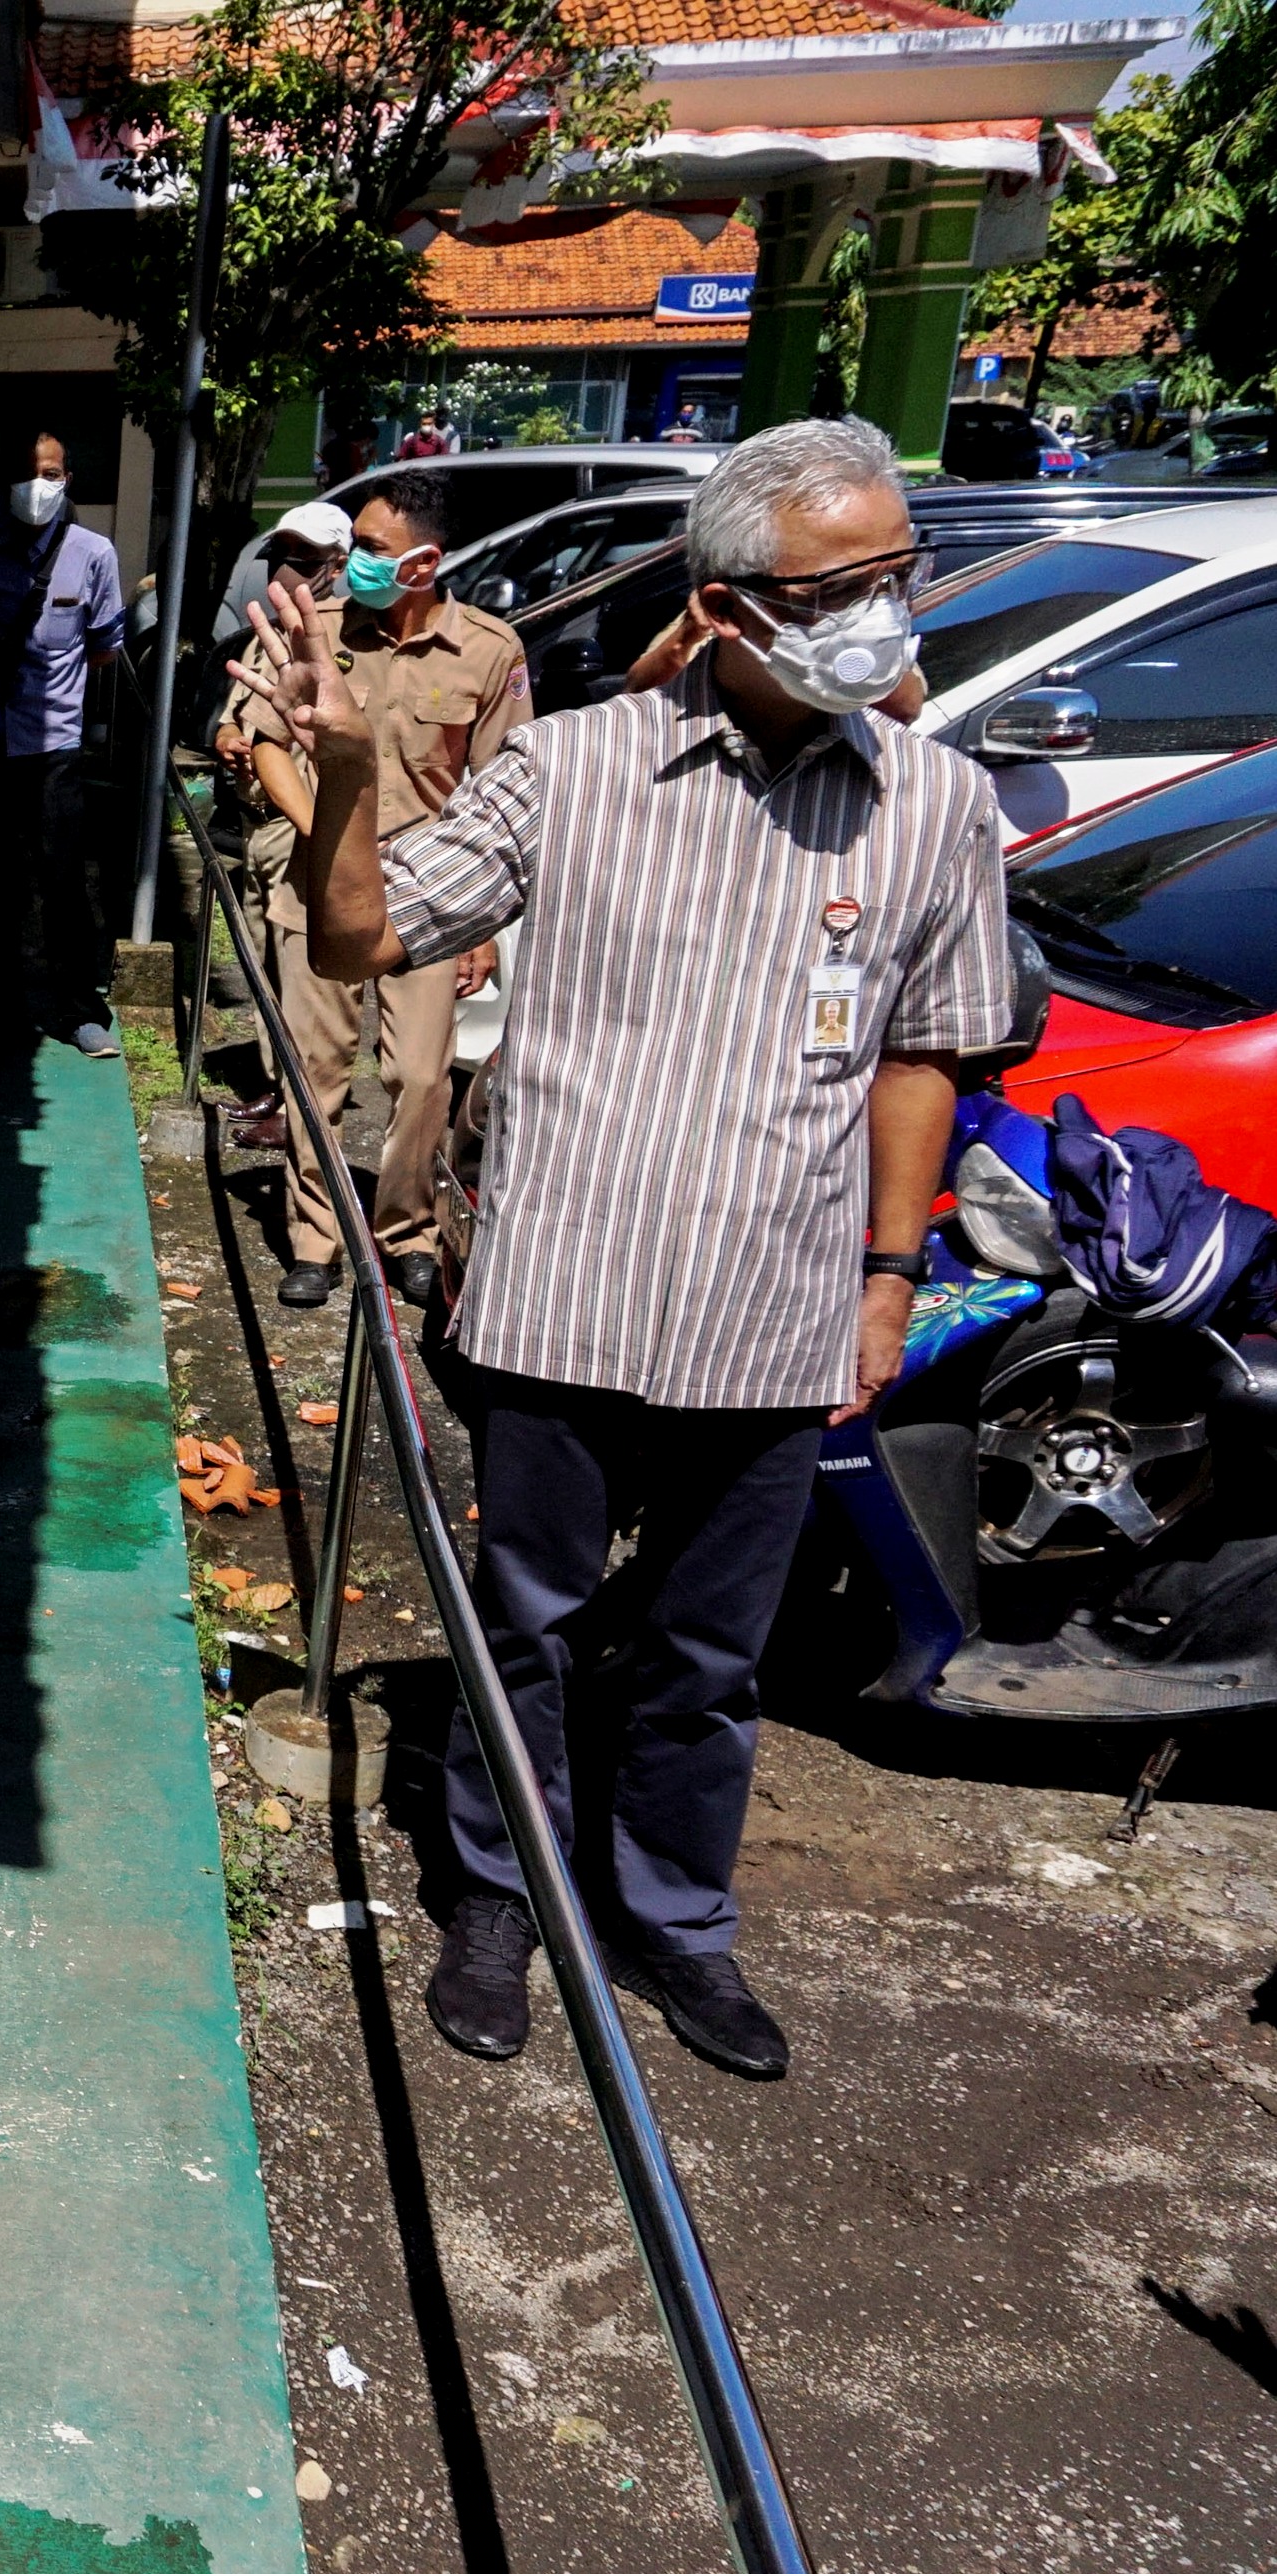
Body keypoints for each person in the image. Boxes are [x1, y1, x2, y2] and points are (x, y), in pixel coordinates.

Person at [236, 415, 1010, 2083]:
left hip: (772, 1314)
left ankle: (674, 1922)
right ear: (728, 610)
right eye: (844, 587)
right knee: (516, 1631)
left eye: (897, 575)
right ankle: (500, 1897)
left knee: (703, 1661)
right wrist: (348, 779)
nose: (885, 615)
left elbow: (919, 1057)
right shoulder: (571, 771)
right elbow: (366, 927)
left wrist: (885, 1279)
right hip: (558, 1301)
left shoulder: (934, 807)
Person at [234, 468, 525, 1311]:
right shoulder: (315, 631)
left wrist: (482, 926)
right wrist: (328, 835)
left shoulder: (488, 651)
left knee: (424, 1078)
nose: (349, 562)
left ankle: (407, 1230)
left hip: (431, 897)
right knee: (313, 1074)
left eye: (371, 549)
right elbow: (267, 748)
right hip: (316, 889)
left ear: (425, 563)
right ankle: (316, 1239)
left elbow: (499, 792)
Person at [0, 430, 128, 1056]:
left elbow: (106, 648)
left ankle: (79, 1011)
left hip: (55, 746)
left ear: (68, 479)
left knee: (62, 882)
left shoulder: (95, 554)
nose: (41, 486)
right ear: (7, 485)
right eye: (31, 474)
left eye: (52, 473)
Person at [209, 502, 354, 1153]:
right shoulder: (264, 635)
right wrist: (230, 738)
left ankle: (301, 1108)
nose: (287, 568)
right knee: (266, 967)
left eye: (303, 557)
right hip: (259, 825)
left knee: (306, 981)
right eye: (282, 554)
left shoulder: (349, 642)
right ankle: (277, 1085)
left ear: (337, 566)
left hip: (306, 831)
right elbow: (234, 713)